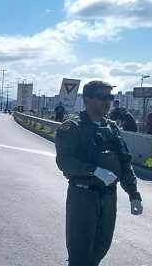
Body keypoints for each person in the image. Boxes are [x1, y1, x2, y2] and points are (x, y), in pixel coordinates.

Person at [55, 81, 143, 266]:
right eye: (102, 97)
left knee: (100, 249)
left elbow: (124, 162)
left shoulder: (112, 128)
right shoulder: (73, 127)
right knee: (80, 254)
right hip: (84, 195)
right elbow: (64, 161)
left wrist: (134, 195)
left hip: (109, 198)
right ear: (87, 100)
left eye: (110, 97)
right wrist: (94, 170)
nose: (108, 102)